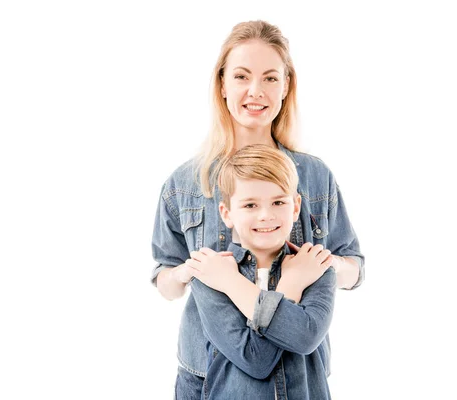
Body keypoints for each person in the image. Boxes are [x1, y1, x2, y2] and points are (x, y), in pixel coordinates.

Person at [151, 20, 364, 399]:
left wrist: (320, 266)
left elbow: (354, 268)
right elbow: (166, 284)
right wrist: (193, 270)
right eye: (241, 76)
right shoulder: (182, 184)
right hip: (206, 378)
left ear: (286, 87)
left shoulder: (315, 176)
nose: (255, 91)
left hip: (300, 375)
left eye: (269, 78)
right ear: (222, 84)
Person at [185, 144, 336, 399]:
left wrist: (234, 284)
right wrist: (290, 287)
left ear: (296, 207)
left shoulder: (316, 267)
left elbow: (305, 338)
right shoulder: (210, 276)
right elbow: (256, 360)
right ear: (227, 213)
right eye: (250, 205)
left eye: (278, 202)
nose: (266, 215)